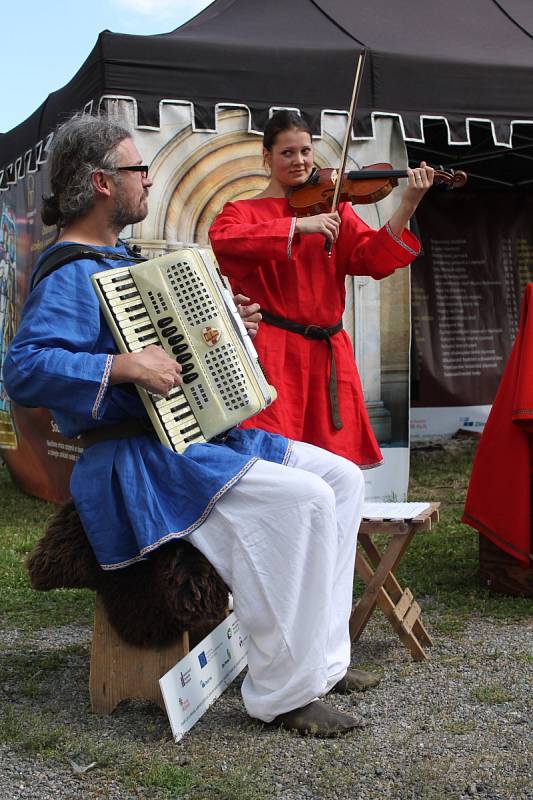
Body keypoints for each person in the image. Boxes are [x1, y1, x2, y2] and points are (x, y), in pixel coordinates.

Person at [4, 114, 379, 738]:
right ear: (101, 183)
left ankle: (321, 664)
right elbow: (26, 368)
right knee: (304, 500)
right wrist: (123, 365)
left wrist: (228, 325)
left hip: (188, 440)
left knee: (339, 479)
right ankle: (284, 695)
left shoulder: (122, 259)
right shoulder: (70, 272)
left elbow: (175, 352)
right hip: (135, 461)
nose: (148, 180)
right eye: (137, 169)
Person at [209, 110, 434, 468]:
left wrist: (407, 205)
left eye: (305, 151)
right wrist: (297, 226)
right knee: (274, 461)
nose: (299, 161)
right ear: (266, 157)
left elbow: (371, 259)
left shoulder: (335, 208)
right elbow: (225, 241)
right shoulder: (242, 211)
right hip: (273, 352)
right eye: (287, 153)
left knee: (336, 465)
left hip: (329, 352)